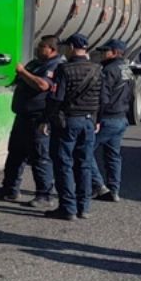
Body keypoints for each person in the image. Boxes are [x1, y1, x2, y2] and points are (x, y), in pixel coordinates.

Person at [0, 35, 63, 208]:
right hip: (23, 115)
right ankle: (10, 189)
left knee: (39, 156)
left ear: (51, 49)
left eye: (41, 46)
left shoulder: (55, 66)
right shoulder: (34, 63)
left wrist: (23, 72)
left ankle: (44, 194)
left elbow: (42, 86)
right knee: (15, 153)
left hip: (39, 118)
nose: (37, 49)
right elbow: (15, 78)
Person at [43, 33, 102, 220]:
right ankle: (83, 207)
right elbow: (103, 98)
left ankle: (68, 208)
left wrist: (46, 120)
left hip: (67, 122)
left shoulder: (64, 69)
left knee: (63, 164)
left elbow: (56, 98)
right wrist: (97, 120)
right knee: (84, 164)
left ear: (70, 48)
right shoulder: (97, 69)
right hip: (89, 121)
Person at [90, 39, 135, 202]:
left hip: (107, 118)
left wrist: (97, 119)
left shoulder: (108, 70)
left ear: (115, 52)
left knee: (85, 151)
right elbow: (131, 95)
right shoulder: (127, 69)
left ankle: (98, 186)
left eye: (106, 51)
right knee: (113, 156)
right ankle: (114, 190)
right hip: (120, 118)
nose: (102, 53)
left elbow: (103, 97)